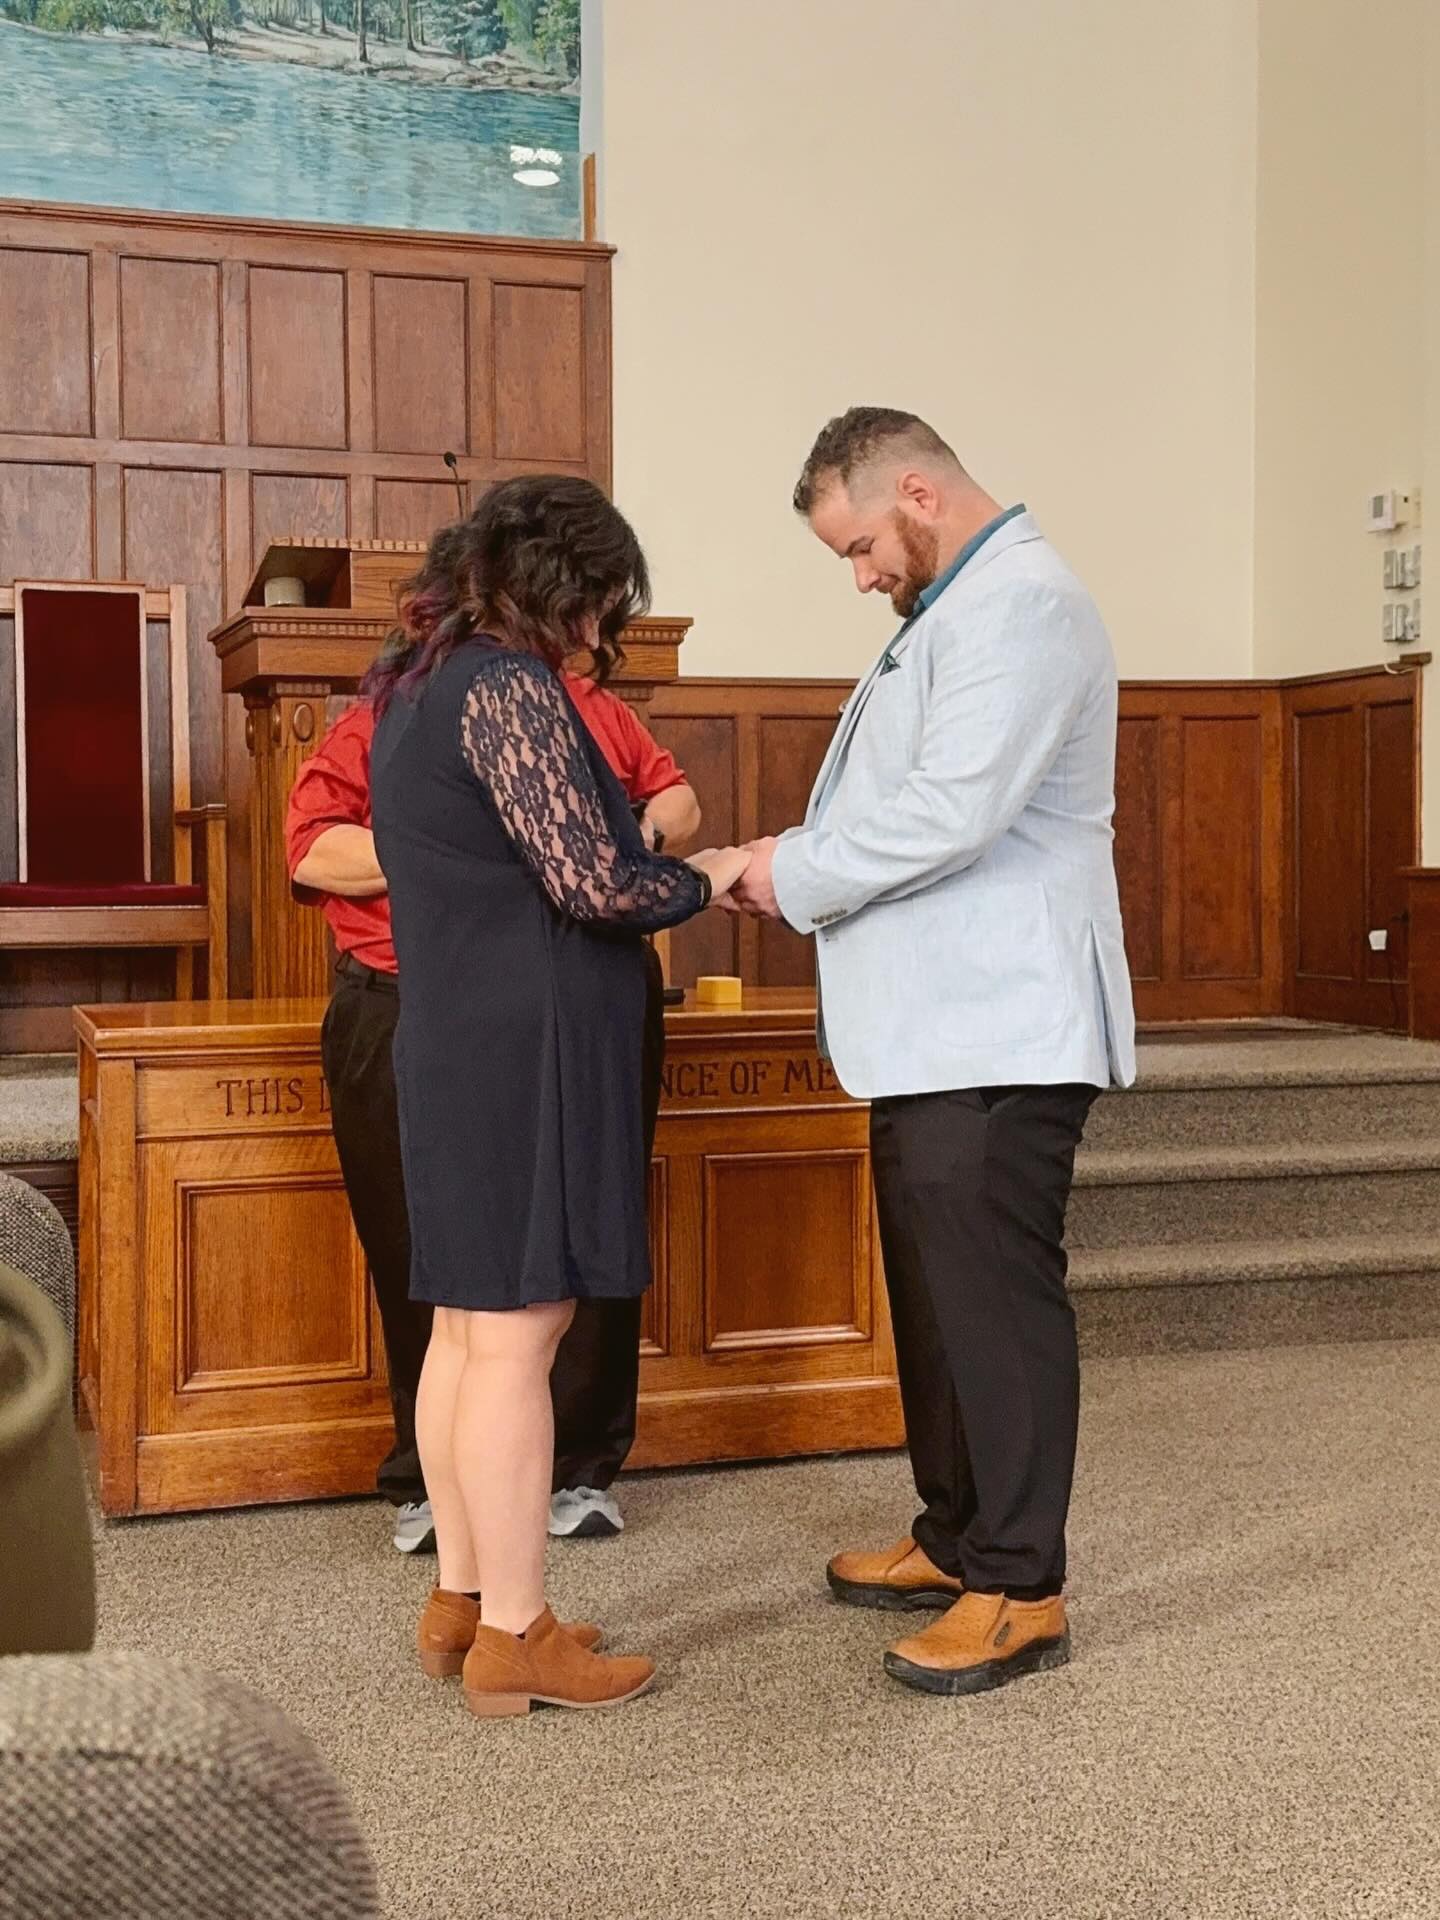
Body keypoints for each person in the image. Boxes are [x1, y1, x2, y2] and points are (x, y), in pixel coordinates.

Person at [728, 407, 1136, 1698]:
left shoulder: (1023, 604)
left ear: (916, 488)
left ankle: (1022, 1585)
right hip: (934, 1029)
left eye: (859, 546)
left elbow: (952, 817)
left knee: (997, 1308)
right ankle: (956, 1534)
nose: (860, 577)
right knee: (935, 1300)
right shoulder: (952, 612)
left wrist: (782, 872)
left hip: (1002, 1024)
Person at [365, 477, 748, 1717]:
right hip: (529, 1040)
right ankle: (521, 1633)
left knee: (469, 1330)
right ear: (557, 586)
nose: (602, 634)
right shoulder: (508, 687)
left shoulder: (416, 686)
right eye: (598, 606)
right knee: (521, 1337)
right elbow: (591, 880)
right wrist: (712, 877)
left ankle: (466, 1602)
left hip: (456, 1031)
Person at [287, 617, 700, 1556]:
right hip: (418, 997)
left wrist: (622, 833)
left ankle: (580, 1468)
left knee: (586, 1251)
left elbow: (677, 798)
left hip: (572, 1001)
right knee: (437, 1264)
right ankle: (435, 1488)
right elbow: (310, 849)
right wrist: (478, 850)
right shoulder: (397, 715)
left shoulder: (588, 710)